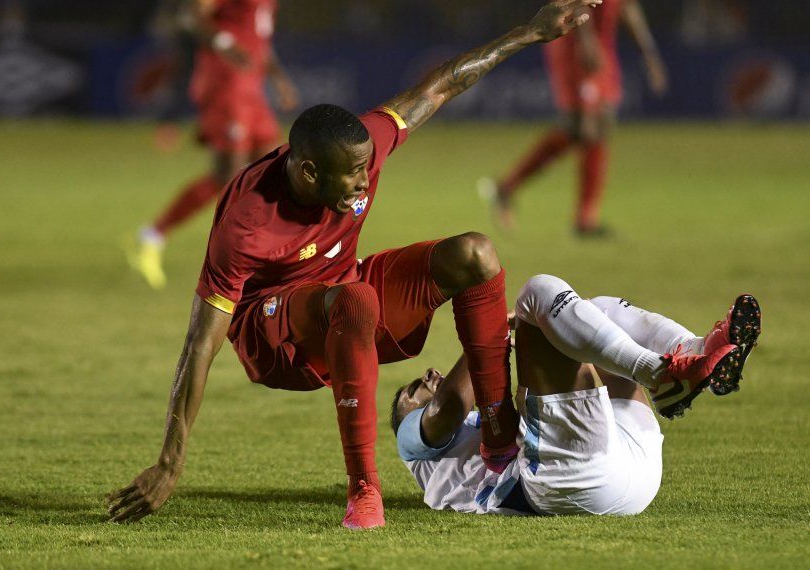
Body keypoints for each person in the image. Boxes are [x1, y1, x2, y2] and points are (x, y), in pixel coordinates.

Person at [108, 0, 604, 530]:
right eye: (352, 176)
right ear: (307, 171)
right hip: (273, 336)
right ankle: (365, 490)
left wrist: (529, 32)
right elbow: (199, 343)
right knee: (355, 298)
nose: (365, 183)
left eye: (368, 168)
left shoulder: (358, 149)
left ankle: (500, 437)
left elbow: (440, 85)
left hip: (343, 293)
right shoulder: (248, 223)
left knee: (475, 253)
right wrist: (170, 461)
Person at [391, 274, 760, 515]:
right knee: (537, 295)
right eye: (412, 391)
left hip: (631, 454)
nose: (427, 375)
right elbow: (447, 409)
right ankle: (659, 373)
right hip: (569, 481)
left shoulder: (478, 426)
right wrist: (486, 336)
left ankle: (694, 353)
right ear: (406, 421)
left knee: (592, 312)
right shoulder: (412, 444)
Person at [128, 0, 299, 289]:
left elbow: (258, 37)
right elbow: (192, 15)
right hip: (226, 83)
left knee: (274, 166)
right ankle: (156, 236)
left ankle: (271, 255)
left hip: (251, 88)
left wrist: (278, 78)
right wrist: (223, 43)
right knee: (229, 174)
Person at [479, 0, 667, 235]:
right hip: (573, 38)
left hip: (603, 43)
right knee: (583, 127)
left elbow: (627, 7)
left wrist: (649, 54)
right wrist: (585, 40)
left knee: (601, 124)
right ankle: (511, 189)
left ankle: (584, 217)